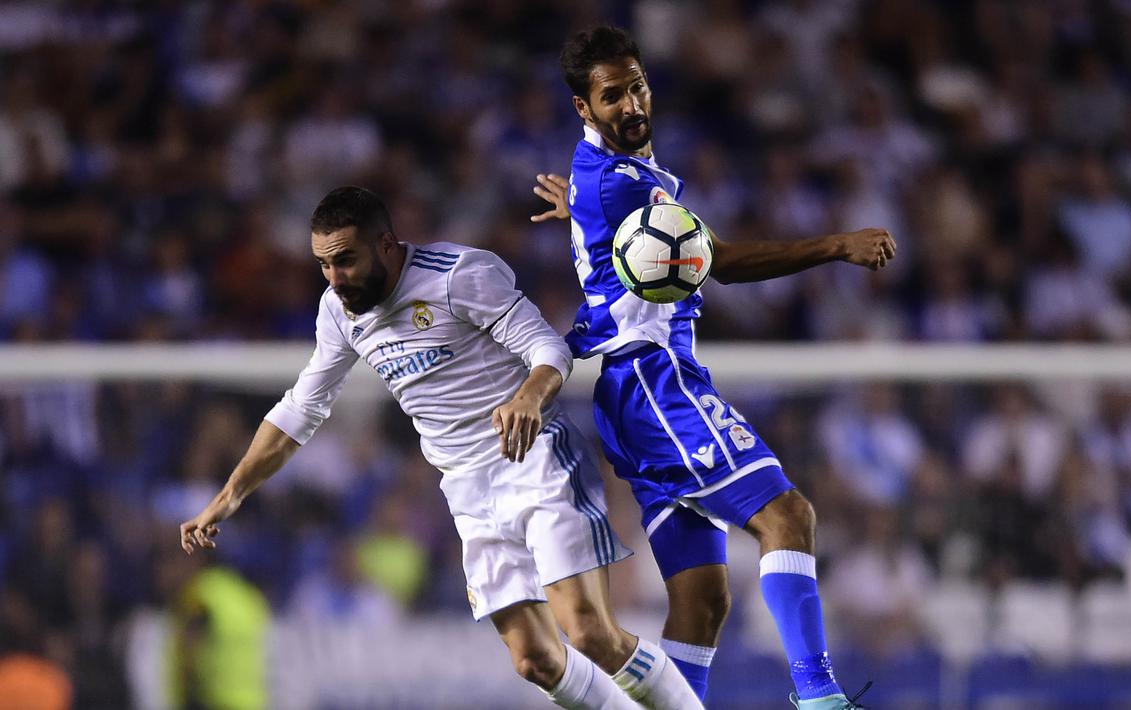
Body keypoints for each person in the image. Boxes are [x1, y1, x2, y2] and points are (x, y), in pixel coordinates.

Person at [179, 186, 702, 710]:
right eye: (323, 266)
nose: (335, 279)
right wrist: (231, 495)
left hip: (535, 458)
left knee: (587, 631)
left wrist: (525, 398)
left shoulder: (458, 275)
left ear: (385, 244)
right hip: (467, 489)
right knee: (534, 660)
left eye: (345, 261)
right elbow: (301, 409)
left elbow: (548, 348)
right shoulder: (338, 312)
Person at [529, 26, 895, 709]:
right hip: (653, 381)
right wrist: (837, 244)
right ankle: (820, 699)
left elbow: (619, 215)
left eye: (636, 85)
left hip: (634, 396)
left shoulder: (612, 177)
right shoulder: (616, 186)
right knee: (787, 516)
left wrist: (582, 213)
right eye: (612, 97)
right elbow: (718, 262)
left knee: (701, 600)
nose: (633, 104)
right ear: (582, 108)